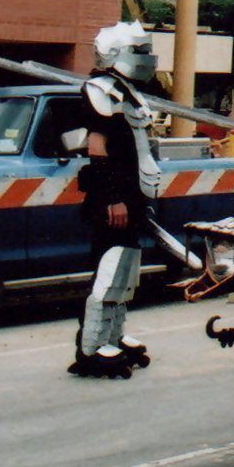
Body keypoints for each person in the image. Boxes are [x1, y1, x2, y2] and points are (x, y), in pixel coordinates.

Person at [70, 22, 161, 379]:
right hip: (113, 197)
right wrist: (113, 198)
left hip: (133, 193)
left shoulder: (129, 92)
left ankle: (113, 336)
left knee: (126, 268)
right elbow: (97, 147)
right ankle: (91, 346)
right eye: (137, 50)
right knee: (110, 266)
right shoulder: (99, 90)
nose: (145, 57)